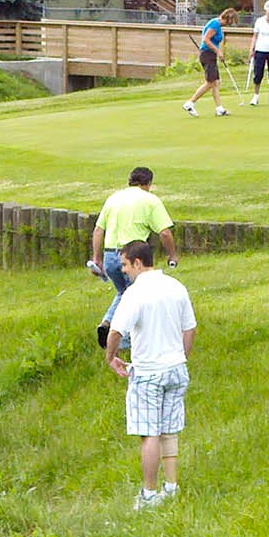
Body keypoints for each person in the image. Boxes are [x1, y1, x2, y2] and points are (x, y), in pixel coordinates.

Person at [104, 240, 197, 510]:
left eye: (124, 264)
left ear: (137, 262)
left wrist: (110, 357)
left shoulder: (134, 294)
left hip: (148, 372)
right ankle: (171, 486)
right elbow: (189, 329)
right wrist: (181, 357)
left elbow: (116, 332)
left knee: (150, 434)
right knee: (169, 430)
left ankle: (149, 493)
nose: (122, 271)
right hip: (176, 369)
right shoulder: (176, 287)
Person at [89, 167, 180, 348]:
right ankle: (124, 341)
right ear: (148, 184)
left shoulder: (113, 198)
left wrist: (97, 258)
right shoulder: (150, 200)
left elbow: (99, 230)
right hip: (133, 255)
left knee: (124, 293)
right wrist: (173, 255)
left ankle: (107, 323)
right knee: (137, 297)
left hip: (110, 255)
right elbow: (164, 233)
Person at [182, 8, 238, 118]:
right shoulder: (215, 24)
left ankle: (219, 109)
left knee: (216, 82)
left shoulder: (218, 25)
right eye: (230, 22)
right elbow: (206, 40)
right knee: (210, 83)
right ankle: (190, 103)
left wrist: (218, 53)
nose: (229, 25)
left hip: (210, 55)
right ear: (227, 19)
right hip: (207, 55)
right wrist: (218, 51)